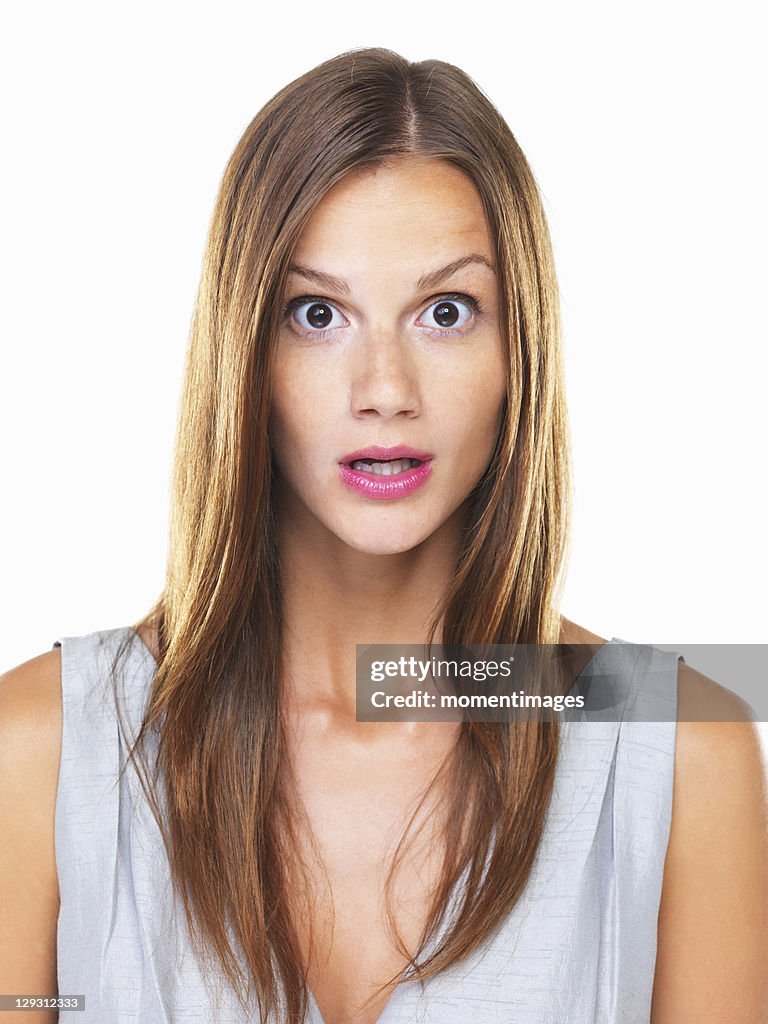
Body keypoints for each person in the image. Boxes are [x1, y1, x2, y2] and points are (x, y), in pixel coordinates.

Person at [1, 47, 766, 1024]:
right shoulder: (42, 750)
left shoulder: (679, 748)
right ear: (246, 353)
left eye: (446, 312)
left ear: (515, 351)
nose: (386, 392)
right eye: (317, 313)